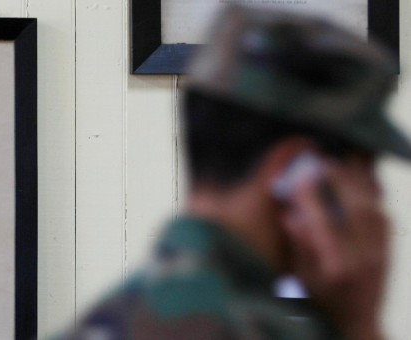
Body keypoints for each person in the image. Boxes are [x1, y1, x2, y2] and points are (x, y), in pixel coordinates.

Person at [63, 6, 410, 340]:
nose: (375, 194)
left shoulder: (101, 320)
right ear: (294, 169)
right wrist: (359, 325)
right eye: (365, 168)